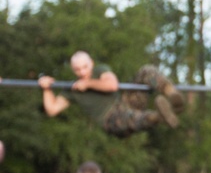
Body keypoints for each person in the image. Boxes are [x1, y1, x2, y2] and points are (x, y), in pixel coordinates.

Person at [38, 52, 183, 136]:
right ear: (72, 69)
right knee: (131, 118)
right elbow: (52, 109)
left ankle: (172, 94)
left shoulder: (100, 70)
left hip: (124, 103)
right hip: (110, 119)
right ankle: (160, 116)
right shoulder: (71, 89)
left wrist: (88, 83)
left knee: (146, 71)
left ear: (92, 64)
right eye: (77, 69)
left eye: (85, 67)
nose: (82, 72)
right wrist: (46, 89)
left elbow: (112, 85)